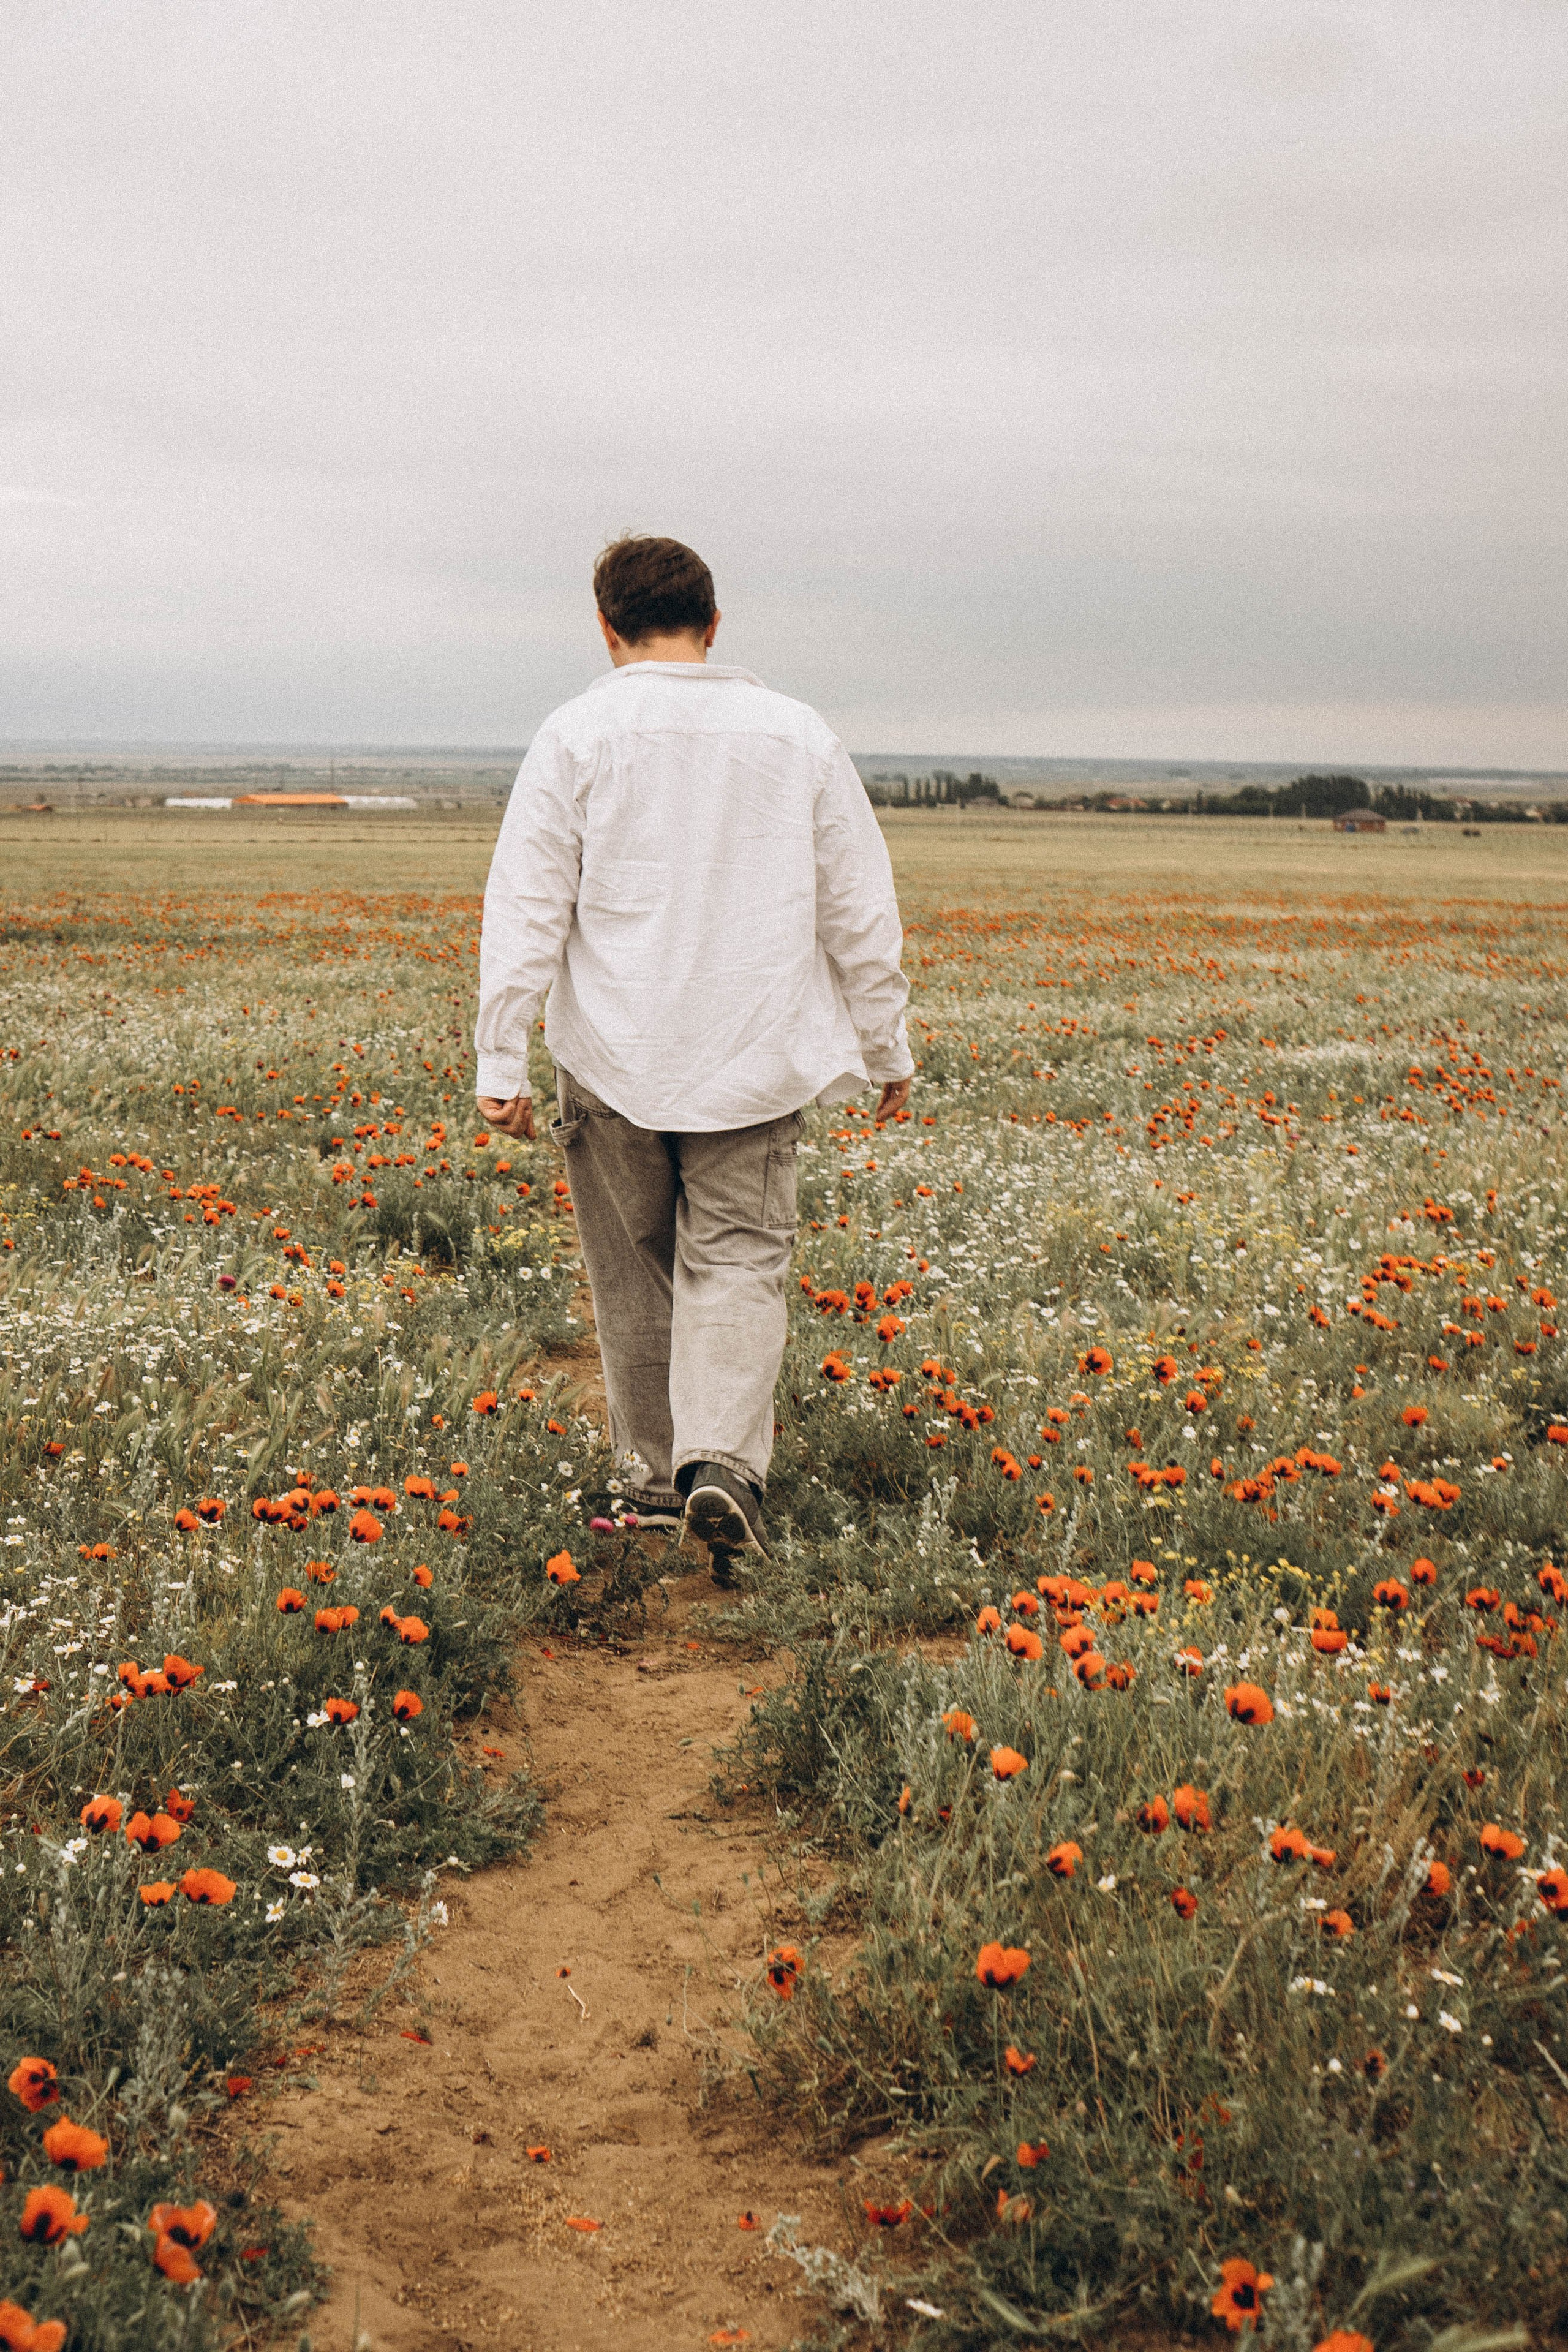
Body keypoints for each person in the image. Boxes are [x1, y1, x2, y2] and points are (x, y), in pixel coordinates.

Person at [475, 535, 913, 1570]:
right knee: (740, 1261)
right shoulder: (796, 734)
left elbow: (527, 905)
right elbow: (861, 905)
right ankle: (721, 1467)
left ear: (606, 626)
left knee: (630, 1268)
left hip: (613, 1052)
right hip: (755, 1051)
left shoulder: (574, 735)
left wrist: (502, 1060)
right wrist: (886, 1042)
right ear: (714, 625)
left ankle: (651, 1480)